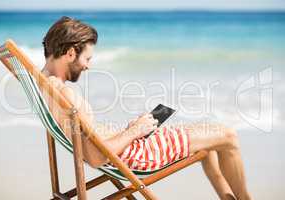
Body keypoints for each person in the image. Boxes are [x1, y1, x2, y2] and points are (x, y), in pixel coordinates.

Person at [41, 16, 252, 200]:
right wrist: (135, 131)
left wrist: (130, 130)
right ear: (70, 53)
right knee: (229, 136)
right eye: (87, 58)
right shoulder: (64, 95)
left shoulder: (44, 84)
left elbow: (92, 145)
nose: (88, 66)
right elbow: (97, 158)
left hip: (126, 148)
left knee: (209, 143)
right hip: (137, 156)